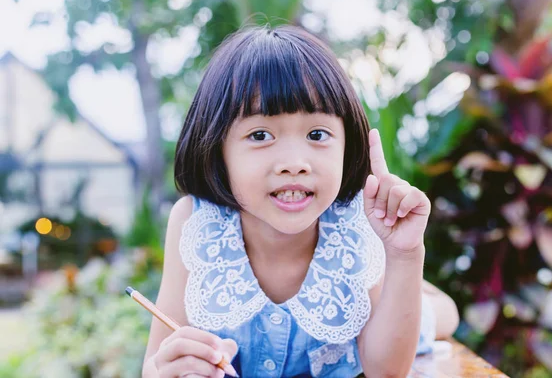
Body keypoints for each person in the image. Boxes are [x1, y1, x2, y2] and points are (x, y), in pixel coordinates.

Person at [142, 25, 459, 378]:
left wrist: (404, 255)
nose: (295, 162)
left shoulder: (356, 221)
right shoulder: (195, 224)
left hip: (393, 317)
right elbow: (154, 362)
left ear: (347, 144)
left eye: (317, 134)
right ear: (218, 150)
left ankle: (428, 296)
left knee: (440, 316)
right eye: (260, 135)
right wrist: (167, 369)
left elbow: (385, 371)